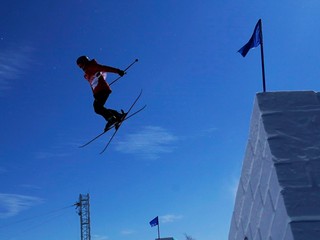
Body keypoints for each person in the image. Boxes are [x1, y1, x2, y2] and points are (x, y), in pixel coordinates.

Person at [76, 55, 125, 131]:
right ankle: (117, 115)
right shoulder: (86, 75)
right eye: (79, 66)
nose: (81, 68)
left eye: (81, 65)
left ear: (85, 62)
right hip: (98, 93)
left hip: (103, 90)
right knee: (98, 108)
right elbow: (92, 85)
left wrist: (118, 71)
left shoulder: (92, 66)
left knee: (97, 107)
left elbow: (104, 68)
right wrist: (94, 94)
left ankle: (112, 118)